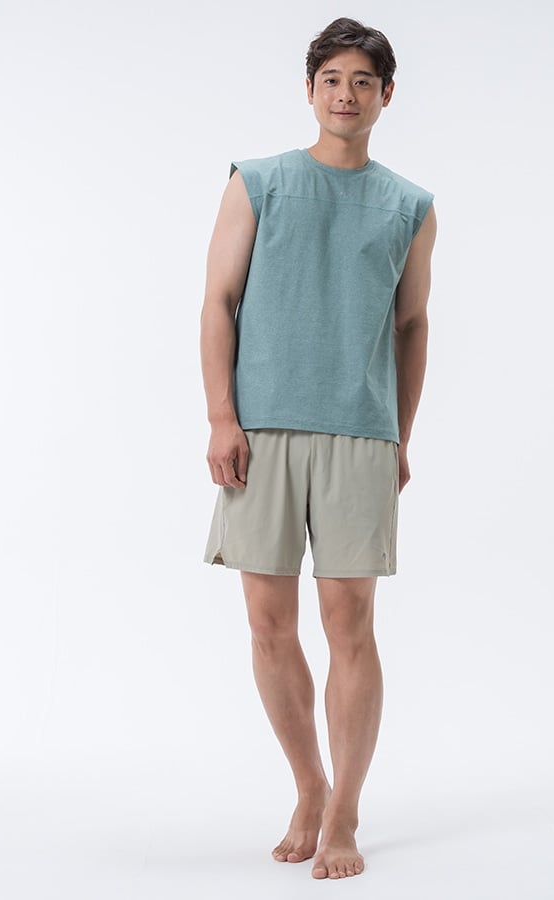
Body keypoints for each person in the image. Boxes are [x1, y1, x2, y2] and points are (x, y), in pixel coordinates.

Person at [199, 17, 436, 880]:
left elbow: (412, 325)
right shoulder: (257, 181)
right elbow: (218, 302)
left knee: (351, 625)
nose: (346, 94)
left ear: (386, 95)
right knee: (268, 625)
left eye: (363, 81)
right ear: (309, 90)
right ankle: (308, 785)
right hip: (260, 430)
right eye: (332, 79)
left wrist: (399, 433)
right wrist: (221, 417)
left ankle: (345, 811)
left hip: (359, 433)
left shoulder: (410, 206)